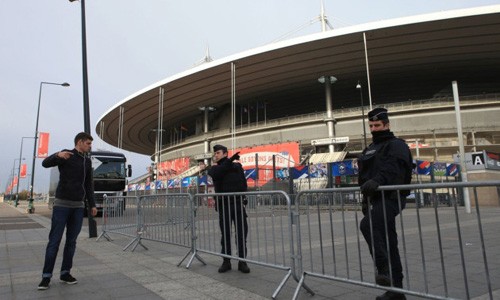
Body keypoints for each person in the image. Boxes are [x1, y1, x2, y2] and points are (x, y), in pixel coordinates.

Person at [358, 108, 413, 300]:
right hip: (375, 199)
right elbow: (363, 177)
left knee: (367, 225)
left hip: (391, 197)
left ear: (387, 125)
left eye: (378, 125)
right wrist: (365, 200)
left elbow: (393, 169)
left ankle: (384, 269)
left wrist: (378, 181)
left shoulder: (396, 145)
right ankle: (396, 292)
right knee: (390, 243)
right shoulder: (369, 149)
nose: (374, 128)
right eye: (371, 125)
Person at [37, 132, 97, 290]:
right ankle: (46, 277)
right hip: (62, 206)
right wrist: (57, 155)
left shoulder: (87, 161)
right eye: (88, 143)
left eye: (91, 144)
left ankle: (65, 273)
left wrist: (92, 204)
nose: (90, 146)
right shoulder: (67, 155)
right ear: (79, 142)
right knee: (54, 241)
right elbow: (45, 163)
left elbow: (88, 185)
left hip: (78, 207)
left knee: (71, 242)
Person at [206, 144, 250, 274]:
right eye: (215, 154)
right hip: (224, 206)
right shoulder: (214, 169)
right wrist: (229, 160)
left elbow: (243, 183)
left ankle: (242, 262)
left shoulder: (237, 167)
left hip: (237, 205)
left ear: (225, 153)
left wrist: (244, 196)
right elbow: (219, 173)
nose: (215, 155)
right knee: (225, 235)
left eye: (218, 153)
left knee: (241, 234)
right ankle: (226, 262)